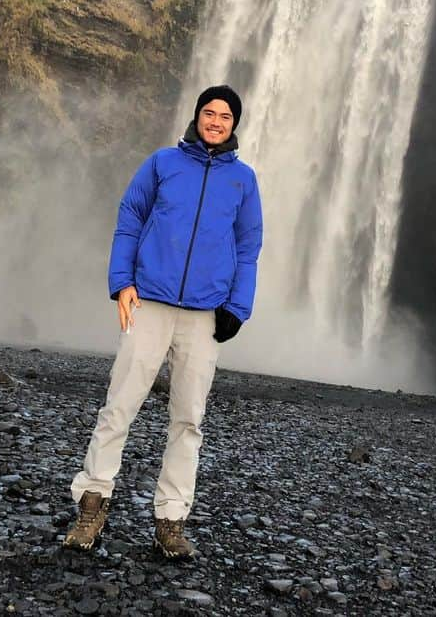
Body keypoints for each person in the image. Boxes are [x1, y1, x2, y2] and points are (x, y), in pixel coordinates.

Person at [64, 85, 263, 559]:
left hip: (204, 315)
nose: (216, 121)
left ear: (235, 125)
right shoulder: (162, 163)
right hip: (149, 301)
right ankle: (92, 506)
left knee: (189, 419)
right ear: (196, 117)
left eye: (225, 116)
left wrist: (238, 307)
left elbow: (249, 245)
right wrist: (122, 281)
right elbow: (131, 216)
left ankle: (171, 520)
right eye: (209, 112)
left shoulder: (244, 181)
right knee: (119, 406)